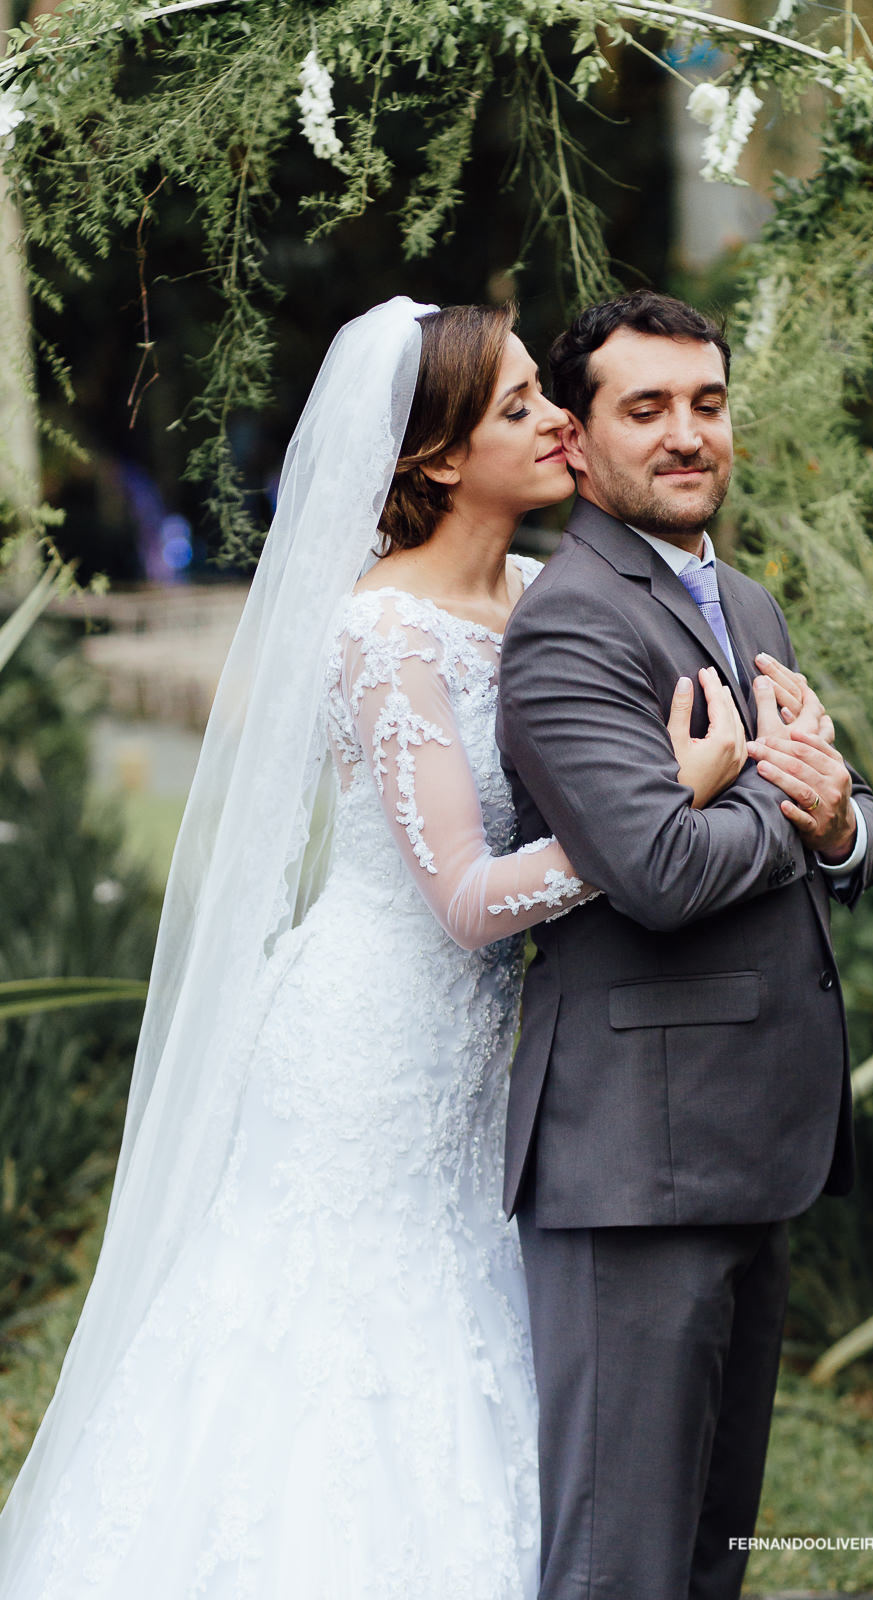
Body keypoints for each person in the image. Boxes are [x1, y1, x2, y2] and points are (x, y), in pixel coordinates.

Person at [0, 298, 751, 1599]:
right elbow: (462, 896)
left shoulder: (536, 593)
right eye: (519, 405)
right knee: (337, 1330)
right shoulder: (382, 632)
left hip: (473, 1056)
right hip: (367, 1038)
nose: (558, 420)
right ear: (441, 458)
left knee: (459, 1303)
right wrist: (661, 806)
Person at [496, 289, 873, 1600]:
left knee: (707, 1562)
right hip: (636, 1165)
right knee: (623, 1565)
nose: (688, 436)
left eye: (708, 406)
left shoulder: (750, 603)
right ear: (579, 437)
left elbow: (851, 810)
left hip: (748, 1147)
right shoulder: (568, 625)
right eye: (647, 409)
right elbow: (659, 871)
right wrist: (799, 806)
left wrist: (830, 819)